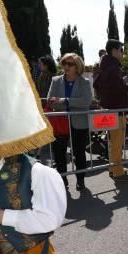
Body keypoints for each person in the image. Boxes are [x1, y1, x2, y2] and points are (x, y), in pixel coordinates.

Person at [46, 53, 92, 191]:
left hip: (79, 123)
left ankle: (80, 180)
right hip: (60, 123)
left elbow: (86, 101)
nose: (66, 66)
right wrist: (68, 103)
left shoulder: (85, 82)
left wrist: (65, 101)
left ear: (77, 67)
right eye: (64, 63)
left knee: (79, 153)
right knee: (59, 154)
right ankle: (62, 179)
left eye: (70, 64)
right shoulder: (55, 81)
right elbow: (51, 101)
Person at [94, 39, 128, 182]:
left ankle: (113, 168)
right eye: (121, 50)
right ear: (115, 51)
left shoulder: (104, 66)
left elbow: (96, 84)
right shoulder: (114, 67)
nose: (122, 53)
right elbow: (118, 87)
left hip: (109, 109)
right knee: (117, 142)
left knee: (113, 141)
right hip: (117, 109)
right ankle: (117, 171)